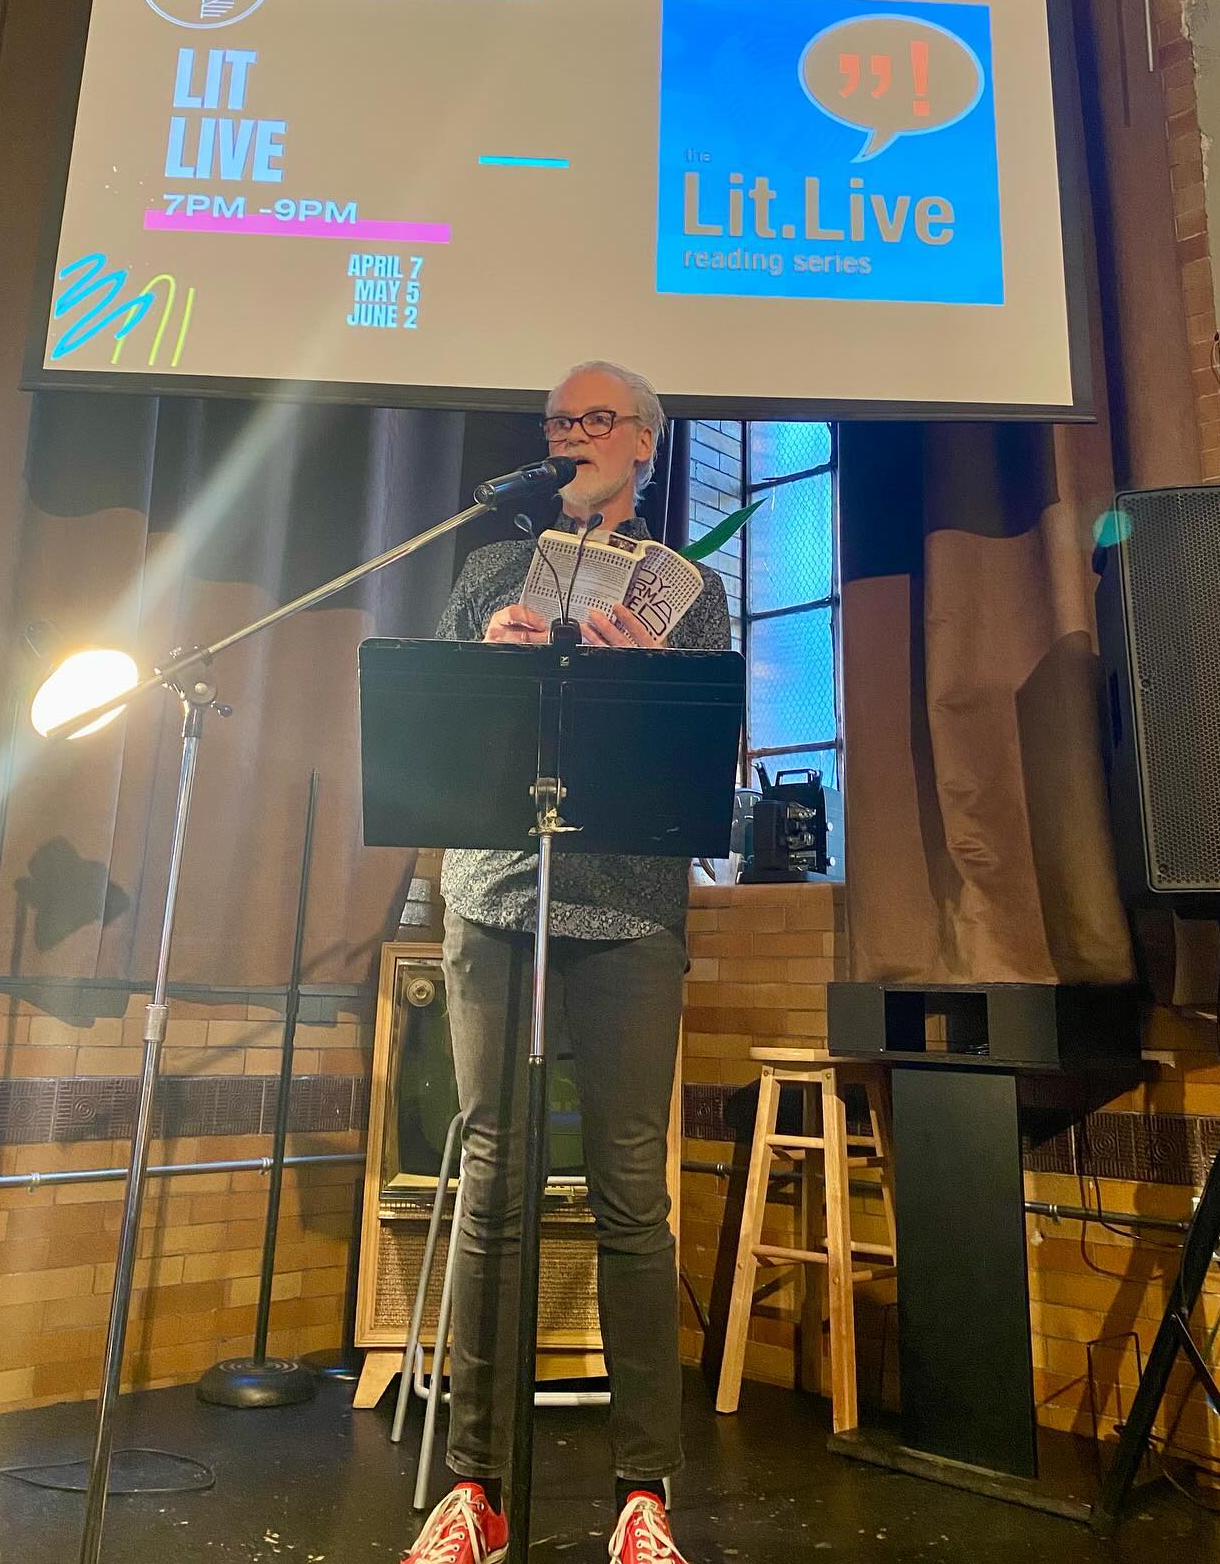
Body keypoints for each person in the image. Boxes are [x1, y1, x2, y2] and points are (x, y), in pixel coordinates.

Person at [402, 362, 732, 1564]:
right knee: (493, 1182)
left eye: (596, 419)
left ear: (646, 442)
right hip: (496, 894)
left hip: (631, 911)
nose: (573, 436)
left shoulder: (691, 592)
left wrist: (650, 682)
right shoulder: (488, 570)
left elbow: (708, 766)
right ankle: (474, 1490)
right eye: (558, 422)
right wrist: (491, 667)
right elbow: (433, 736)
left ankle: (643, 1496)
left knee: (630, 1191)